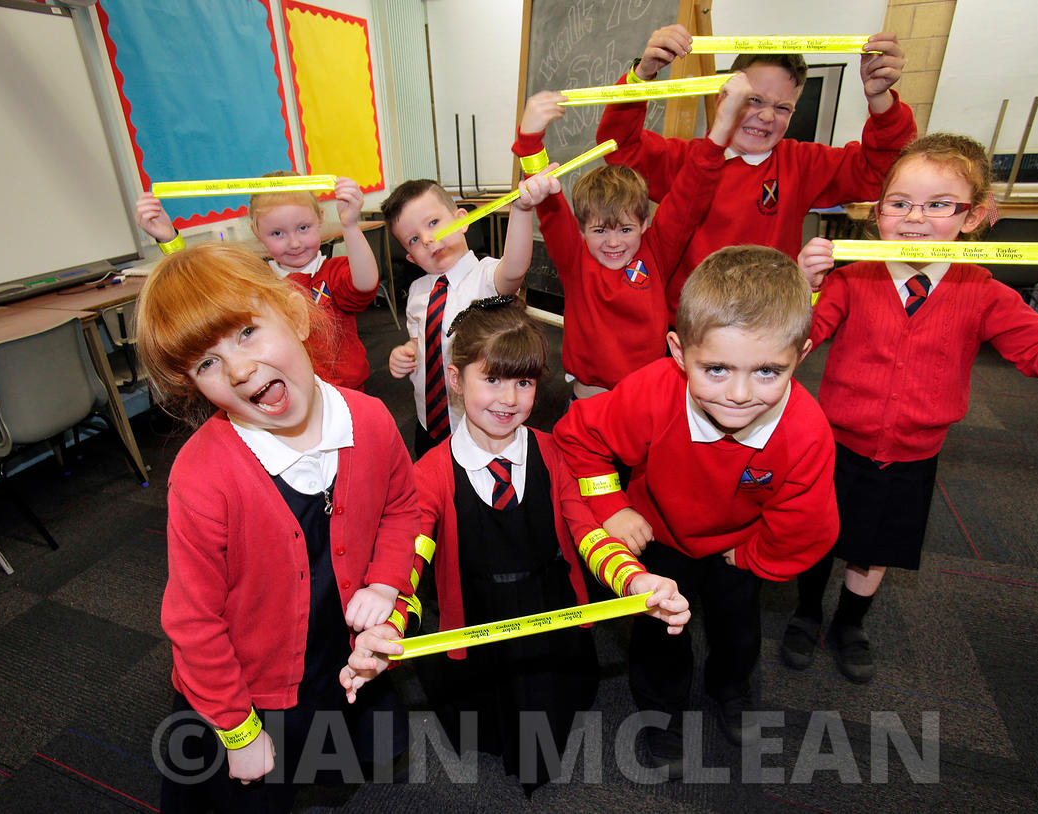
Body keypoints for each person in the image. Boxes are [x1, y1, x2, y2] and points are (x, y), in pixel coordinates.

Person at [782, 133, 1038, 684]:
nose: (915, 218)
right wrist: (802, 291)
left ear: (974, 216)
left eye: (939, 204)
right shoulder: (850, 280)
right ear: (877, 212)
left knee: (874, 549)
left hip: (913, 455)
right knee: (819, 535)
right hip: (836, 443)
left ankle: (849, 623)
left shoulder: (983, 292)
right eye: (899, 203)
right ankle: (804, 614)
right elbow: (786, 351)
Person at [343, 296, 690, 794]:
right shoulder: (430, 474)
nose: (509, 398)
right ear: (456, 379)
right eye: (492, 379)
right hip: (478, 614)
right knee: (492, 708)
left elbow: (590, 535)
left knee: (549, 700)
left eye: (524, 382)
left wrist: (636, 581)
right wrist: (390, 628)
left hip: (550, 605)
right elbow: (409, 566)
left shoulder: (554, 453)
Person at [137, 243, 419, 813]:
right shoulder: (202, 476)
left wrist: (386, 583)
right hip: (247, 688)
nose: (239, 370)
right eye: (206, 364)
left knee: (327, 762)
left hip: (333, 655)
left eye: (247, 333)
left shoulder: (370, 419)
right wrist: (239, 731)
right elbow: (193, 622)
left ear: (294, 314)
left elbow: (401, 508)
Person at [553, 247, 839, 778]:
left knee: (738, 630)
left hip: (739, 548)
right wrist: (612, 506)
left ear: (800, 355)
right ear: (680, 352)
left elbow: (806, 526)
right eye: (716, 369)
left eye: (768, 371)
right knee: (658, 634)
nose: (739, 395)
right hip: (658, 538)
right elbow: (579, 437)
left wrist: (749, 557)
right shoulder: (653, 391)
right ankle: (661, 714)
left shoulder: (806, 431)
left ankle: (731, 688)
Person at [596, 25, 916, 323]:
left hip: (763, 330)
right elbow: (619, 146)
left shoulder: (801, 164)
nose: (766, 116)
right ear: (723, 96)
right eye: (754, 100)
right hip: (686, 330)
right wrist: (642, 74)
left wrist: (880, 99)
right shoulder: (686, 160)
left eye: (782, 108)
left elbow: (884, 172)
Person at [511, 77, 752, 397]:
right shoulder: (575, 258)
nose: (613, 242)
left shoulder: (657, 252)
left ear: (644, 223)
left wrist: (722, 127)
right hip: (591, 400)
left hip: (645, 399)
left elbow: (691, 191)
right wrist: (529, 138)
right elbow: (546, 197)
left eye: (625, 229)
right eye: (600, 231)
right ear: (581, 229)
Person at [135, 171, 381, 391]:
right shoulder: (256, 280)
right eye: (277, 233)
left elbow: (366, 283)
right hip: (283, 393)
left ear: (320, 219)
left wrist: (350, 225)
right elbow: (203, 287)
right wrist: (169, 240)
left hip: (343, 391)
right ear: (257, 232)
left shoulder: (332, 273)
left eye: (303, 228)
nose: (294, 243)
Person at [382, 174, 554, 457]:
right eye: (413, 239)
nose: (427, 239)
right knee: (432, 476)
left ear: (462, 220)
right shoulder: (417, 292)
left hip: (479, 424)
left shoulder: (485, 277)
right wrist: (406, 352)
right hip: (427, 422)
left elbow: (514, 268)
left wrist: (522, 210)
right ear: (410, 257)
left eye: (433, 223)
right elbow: (419, 340)